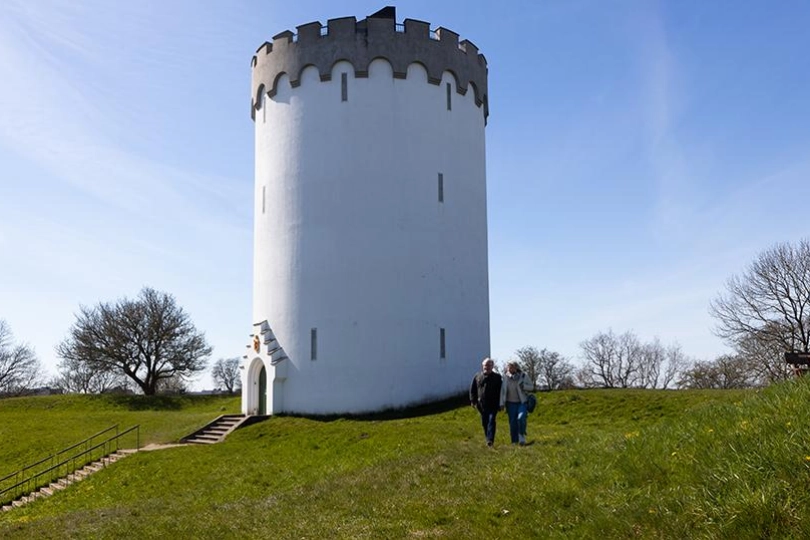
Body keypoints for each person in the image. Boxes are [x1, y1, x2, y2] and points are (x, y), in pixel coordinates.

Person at [469, 357, 503, 447]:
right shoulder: (477, 377)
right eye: (485, 365)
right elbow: (473, 389)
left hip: (493, 404)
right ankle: (488, 438)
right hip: (482, 405)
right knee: (484, 422)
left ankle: (490, 440)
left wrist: (501, 403)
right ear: (482, 366)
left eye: (488, 365)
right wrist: (473, 400)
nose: (486, 367)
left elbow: (501, 391)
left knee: (491, 421)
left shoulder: (497, 377)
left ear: (492, 366)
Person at [501, 361, 531, 445]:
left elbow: (531, 387)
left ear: (516, 367)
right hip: (510, 403)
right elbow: (502, 391)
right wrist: (501, 403)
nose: (510, 368)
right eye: (509, 367)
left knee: (521, 417)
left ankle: (521, 435)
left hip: (522, 402)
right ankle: (514, 441)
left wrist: (524, 386)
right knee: (512, 422)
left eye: (512, 367)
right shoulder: (505, 377)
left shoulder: (523, 376)